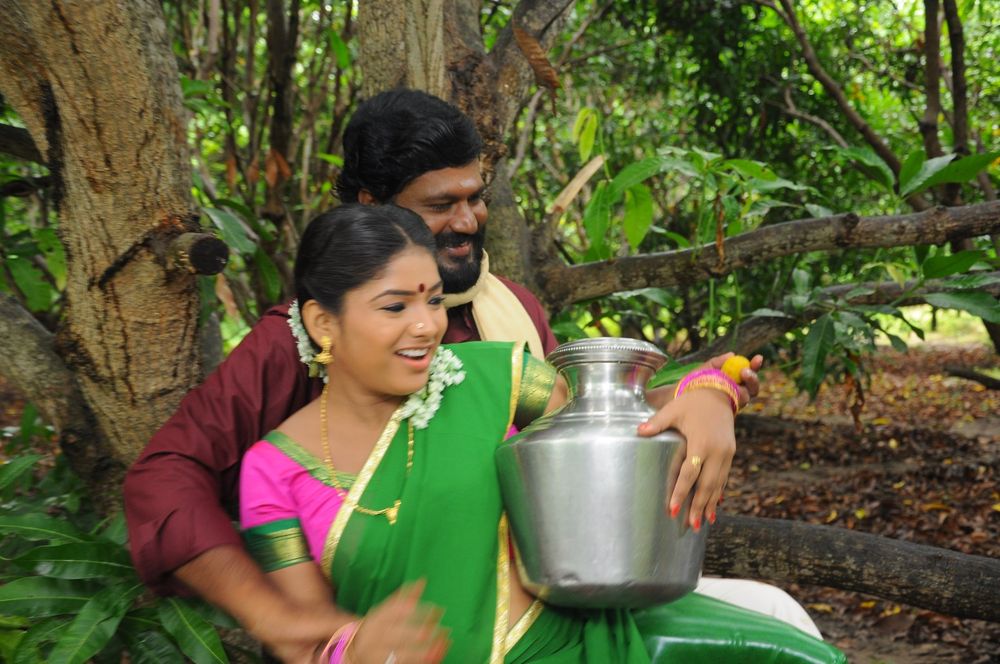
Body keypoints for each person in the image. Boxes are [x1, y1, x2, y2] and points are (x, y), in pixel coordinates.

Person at [123, 89, 814, 660]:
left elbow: (588, 420)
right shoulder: (293, 348)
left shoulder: (506, 315)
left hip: (556, 614)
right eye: (439, 205)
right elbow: (167, 478)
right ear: (371, 208)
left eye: (475, 197)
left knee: (779, 622)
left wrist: (709, 389)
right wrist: (283, 622)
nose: (467, 220)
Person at [238, 203, 845, 663]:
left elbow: (610, 416)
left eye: (433, 301)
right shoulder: (275, 470)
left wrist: (709, 391)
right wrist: (356, 647)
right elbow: (306, 634)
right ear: (323, 322)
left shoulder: (490, 376)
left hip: (578, 643)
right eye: (395, 307)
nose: (425, 326)